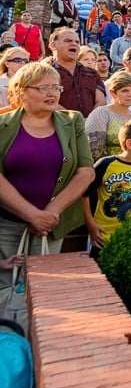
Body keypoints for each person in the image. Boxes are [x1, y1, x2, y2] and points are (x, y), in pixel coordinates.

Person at [0, 63, 95, 291]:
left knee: (43, 289)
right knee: (5, 289)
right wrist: (32, 214)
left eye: (56, 88)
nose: (52, 93)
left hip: (51, 224)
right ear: (21, 91)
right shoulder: (2, 125)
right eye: (43, 88)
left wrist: (50, 213)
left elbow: (86, 171)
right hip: (7, 224)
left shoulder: (73, 121)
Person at [83, 120, 131, 259]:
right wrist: (90, 225)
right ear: (130, 144)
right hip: (103, 237)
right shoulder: (105, 164)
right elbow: (84, 195)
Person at [85, 72, 131, 160]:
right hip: (106, 168)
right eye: (125, 90)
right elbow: (94, 150)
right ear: (113, 93)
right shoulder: (101, 113)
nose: (130, 95)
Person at [49, 28, 104, 117]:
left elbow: (101, 101)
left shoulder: (92, 73)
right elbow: (46, 101)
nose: (73, 44)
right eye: (68, 41)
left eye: (77, 42)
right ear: (53, 45)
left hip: (89, 127)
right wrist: (75, 120)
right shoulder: (44, 73)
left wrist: (90, 121)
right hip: (58, 126)